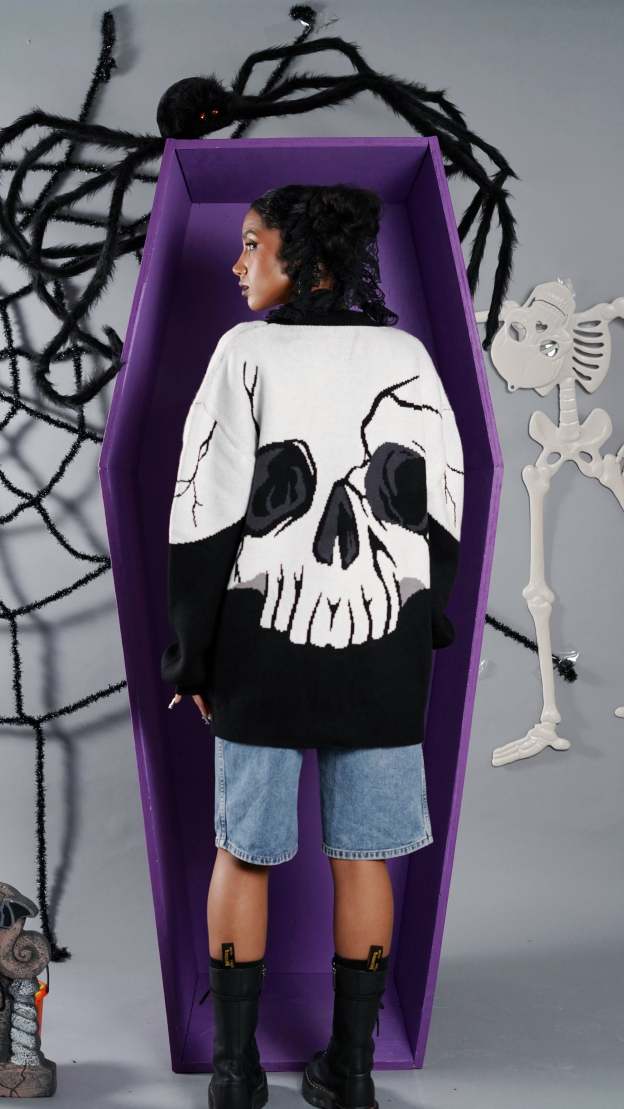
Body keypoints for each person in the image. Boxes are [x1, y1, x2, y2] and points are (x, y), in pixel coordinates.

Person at [161, 183, 464, 1109]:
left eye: (254, 244)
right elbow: (443, 506)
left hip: (261, 642)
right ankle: (352, 1074)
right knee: (365, 857)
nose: (237, 262)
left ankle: (234, 1074)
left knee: (242, 854)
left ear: (308, 257)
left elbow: (205, 511)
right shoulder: (407, 358)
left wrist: (191, 656)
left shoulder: (244, 353)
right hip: (384, 640)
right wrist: (424, 623)